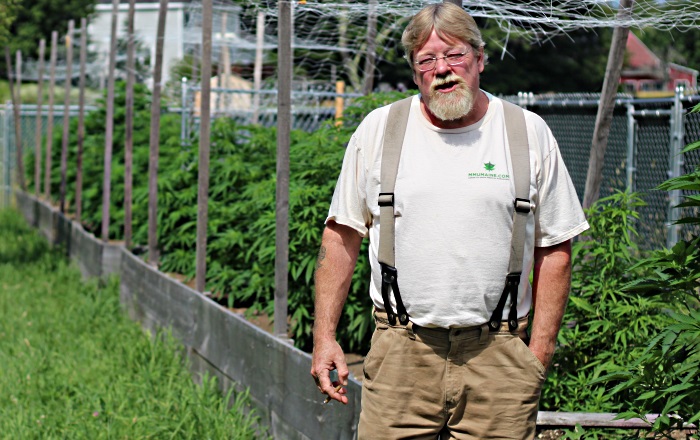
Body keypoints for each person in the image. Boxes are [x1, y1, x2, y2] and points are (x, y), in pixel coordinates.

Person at [310, 3, 589, 439]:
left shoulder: (526, 132)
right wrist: (324, 337)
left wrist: (537, 355)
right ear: (414, 70)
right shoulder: (379, 130)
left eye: (454, 54)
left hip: (499, 355)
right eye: (427, 59)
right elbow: (341, 234)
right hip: (402, 349)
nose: (442, 69)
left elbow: (555, 248)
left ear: (480, 58)